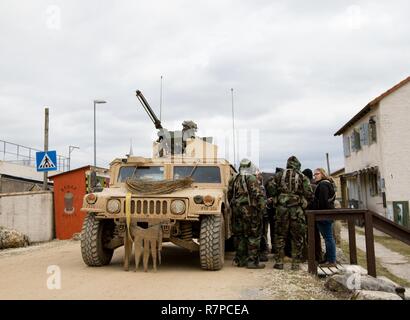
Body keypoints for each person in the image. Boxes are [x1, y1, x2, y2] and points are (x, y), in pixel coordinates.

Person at [266, 156, 313, 270]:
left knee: (280, 236)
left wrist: (278, 196)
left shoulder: (278, 176)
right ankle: (295, 263)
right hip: (296, 210)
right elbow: (309, 194)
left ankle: (279, 262)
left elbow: (270, 188)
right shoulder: (302, 177)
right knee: (297, 237)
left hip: (281, 210)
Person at [228, 159, 266, 269]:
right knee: (253, 235)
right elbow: (258, 195)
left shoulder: (234, 178)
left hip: (237, 210)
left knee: (240, 235)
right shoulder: (252, 178)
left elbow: (229, 194)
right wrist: (262, 209)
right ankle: (252, 262)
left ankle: (240, 260)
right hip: (251, 211)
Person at [312, 168, 337, 267]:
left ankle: (331, 261)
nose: (315, 176)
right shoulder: (326, 183)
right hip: (326, 215)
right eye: (314, 175)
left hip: (324, 215)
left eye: (317, 174)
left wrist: (318, 212)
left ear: (322, 174)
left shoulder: (323, 185)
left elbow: (323, 202)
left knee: (328, 238)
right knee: (328, 237)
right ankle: (328, 258)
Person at [302, 168, 323, 263]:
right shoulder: (316, 186)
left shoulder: (305, 186)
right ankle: (318, 256)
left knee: (306, 236)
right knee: (316, 236)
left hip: (306, 214)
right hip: (315, 214)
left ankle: (308, 256)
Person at [256, 170, 269, 262]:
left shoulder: (261, 187)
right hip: (260, 214)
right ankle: (262, 253)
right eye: (257, 175)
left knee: (262, 234)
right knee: (261, 234)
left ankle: (263, 253)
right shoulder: (260, 187)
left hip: (261, 214)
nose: (259, 176)